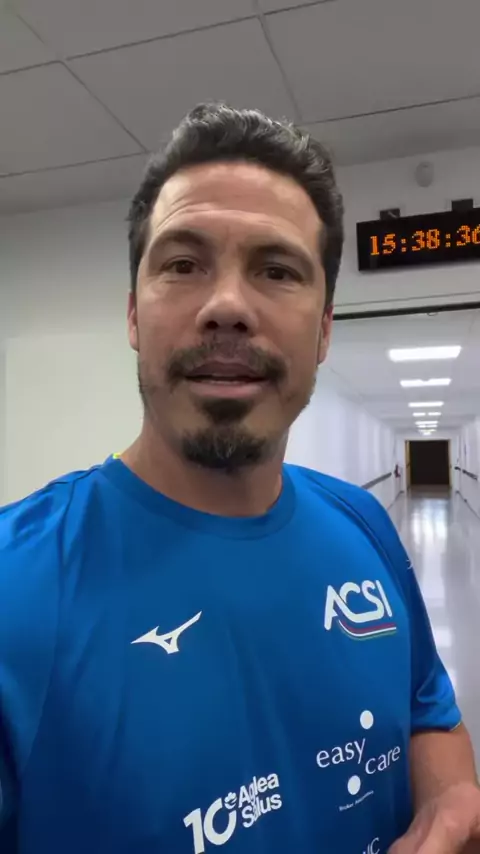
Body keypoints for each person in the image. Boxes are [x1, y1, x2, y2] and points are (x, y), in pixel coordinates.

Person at [0, 103, 478, 854]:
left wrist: (451, 801)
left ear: (323, 332)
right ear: (134, 315)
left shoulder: (363, 525)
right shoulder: (18, 588)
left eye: (277, 270)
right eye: (182, 264)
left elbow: (428, 712)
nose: (226, 306)